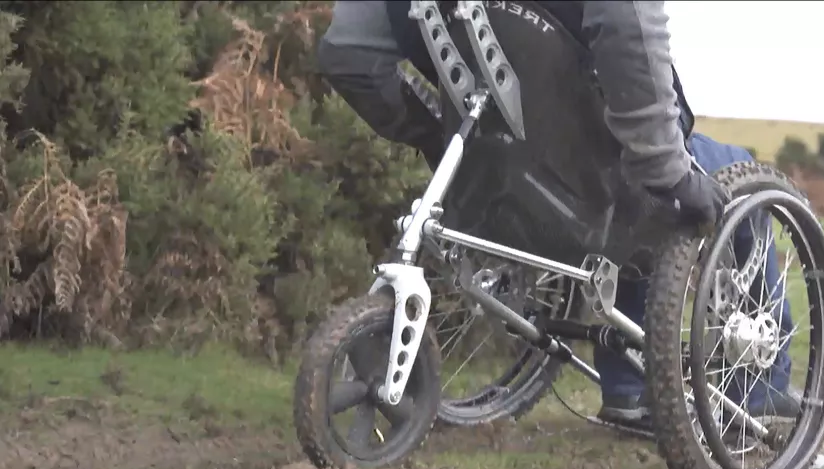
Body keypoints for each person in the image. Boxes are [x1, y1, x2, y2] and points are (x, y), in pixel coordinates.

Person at [318, 1, 799, 430]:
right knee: (731, 173)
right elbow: (626, 20)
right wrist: (666, 166)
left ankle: (629, 388)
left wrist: (436, 138)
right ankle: (762, 389)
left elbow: (347, 53)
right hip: (603, 162)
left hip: (510, 164)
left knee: (631, 193)